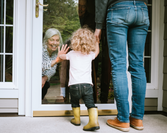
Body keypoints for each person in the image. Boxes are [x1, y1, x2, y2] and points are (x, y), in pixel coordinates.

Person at [94, 0, 149, 132]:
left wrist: (98, 26)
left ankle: (123, 119)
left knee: (119, 65)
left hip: (119, 9)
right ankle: (137, 118)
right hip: (142, 9)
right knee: (137, 65)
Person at [60, 27, 100, 131]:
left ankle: (76, 120)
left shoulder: (71, 54)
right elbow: (96, 53)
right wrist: (97, 43)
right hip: (87, 85)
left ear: (75, 40)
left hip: (74, 85)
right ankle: (93, 121)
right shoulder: (89, 54)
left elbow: (62, 57)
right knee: (90, 104)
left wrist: (60, 54)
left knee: (75, 102)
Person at [42, 28, 69, 100]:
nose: (55, 43)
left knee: (46, 84)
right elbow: (39, 67)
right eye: (52, 40)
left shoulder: (55, 52)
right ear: (46, 40)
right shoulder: (41, 50)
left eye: (57, 40)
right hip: (31, 81)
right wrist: (56, 60)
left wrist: (45, 78)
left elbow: (52, 69)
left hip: (43, 82)